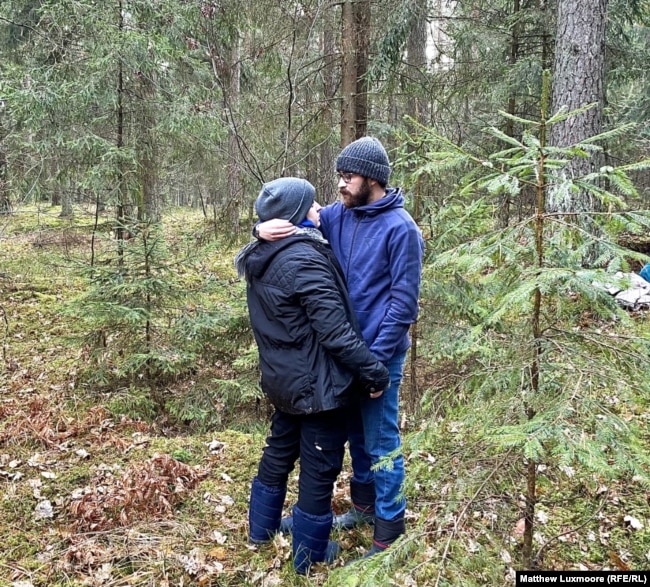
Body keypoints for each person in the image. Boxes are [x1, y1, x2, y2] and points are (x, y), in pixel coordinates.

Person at [256, 137, 425, 560]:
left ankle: (389, 530)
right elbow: (290, 219)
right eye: (339, 177)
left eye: (348, 177)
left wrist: (376, 366)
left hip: (377, 359)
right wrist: (257, 228)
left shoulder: (402, 229)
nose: (340, 186)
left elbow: (403, 307)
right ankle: (364, 509)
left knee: (381, 440)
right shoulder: (339, 216)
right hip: (344, 357)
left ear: (372, 179)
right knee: (353, 436)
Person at [236, 176, 390, 575]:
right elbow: (335, 331)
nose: (320, 209)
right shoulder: (303, 259)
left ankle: (261, 530)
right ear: (292, 219)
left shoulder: (261, 254)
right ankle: (309, 556)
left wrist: (258, 229)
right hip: (318, 385)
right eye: (311, 205)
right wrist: (374, 372)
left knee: (279, 450)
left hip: (283, 380)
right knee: (320, 466)